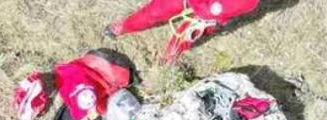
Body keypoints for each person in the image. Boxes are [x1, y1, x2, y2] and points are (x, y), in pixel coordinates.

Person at [13, 50, 145, 120]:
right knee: (74, 116)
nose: (46, 111)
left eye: (43, 111)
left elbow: (90, 106)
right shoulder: (62, 71)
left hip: (117, 77)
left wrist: (87, 119)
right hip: (99, 63)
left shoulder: (75, 92)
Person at [104, 0, 262, 63]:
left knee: (185, 36)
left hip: (210, 13)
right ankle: (125, 26)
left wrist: (204, 15)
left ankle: (169, 58)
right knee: (155, 12)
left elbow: (219, 10)